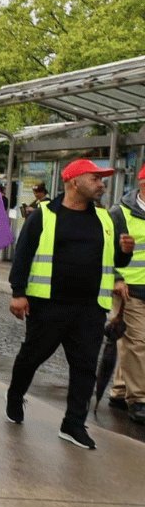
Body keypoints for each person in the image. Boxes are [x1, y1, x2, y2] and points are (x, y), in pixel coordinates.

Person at [6, 159, 129, 449]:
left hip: (90, 307)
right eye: (95, 178)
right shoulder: (44, 215)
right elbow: (23, 253)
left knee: (85, 366)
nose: (102, 184)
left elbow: (113, 261)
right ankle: (15, 395)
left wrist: (124, 254)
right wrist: (18, 292)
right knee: (31, 356)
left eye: (102, 179)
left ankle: (73, 424)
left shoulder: (105, 219)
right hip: (49, 305)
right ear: (74, 182)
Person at [110, 165, 145, 422]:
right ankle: (140, 399)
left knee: (131, 342)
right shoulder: (119, 213)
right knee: (139, 343)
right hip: (129, 289)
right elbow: (105, 249)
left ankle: (120, 390)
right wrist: (116, 278)